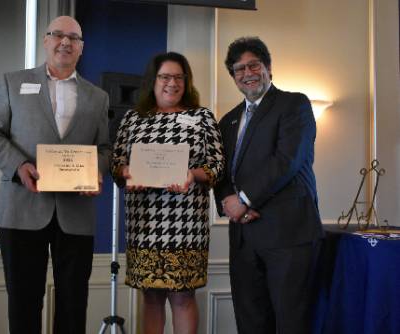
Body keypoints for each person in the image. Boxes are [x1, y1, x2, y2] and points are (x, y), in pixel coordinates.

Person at [0, 16, 110, 334]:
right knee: (23, 303)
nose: (65, 42)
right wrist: (19, 166)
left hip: (76, 212)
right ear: (46, 40)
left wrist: (96, 172)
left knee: (74, 304)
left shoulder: (98, 96)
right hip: (21, 208)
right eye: (58, 35)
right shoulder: (13, 82)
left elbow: (105, 148)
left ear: (81, 48)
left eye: (73, 38)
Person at [214, 37, 324, 334]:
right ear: (233, 77)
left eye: (254, 65)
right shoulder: (228, 121)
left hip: (288, 236)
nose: (247, 73)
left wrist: (245, 199)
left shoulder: (294, 104)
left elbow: (286, 161)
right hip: (244, 237)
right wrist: (229, 201)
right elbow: (220, 171)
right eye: (239, 69)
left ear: (268, 67)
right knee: (251, 323)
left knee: (291, 323)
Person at [111, 52, 224, 334]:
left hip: (187, 226)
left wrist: (193, 175)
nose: (172, 83)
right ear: (153, 81)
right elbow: (116, 163)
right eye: (165, 76)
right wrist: (126, 172)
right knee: (151, 297)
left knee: (183, 296)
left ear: (186, 82)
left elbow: (218, 165)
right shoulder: (133, 119)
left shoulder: (202, 118)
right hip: (145, 224)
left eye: (178, 77)